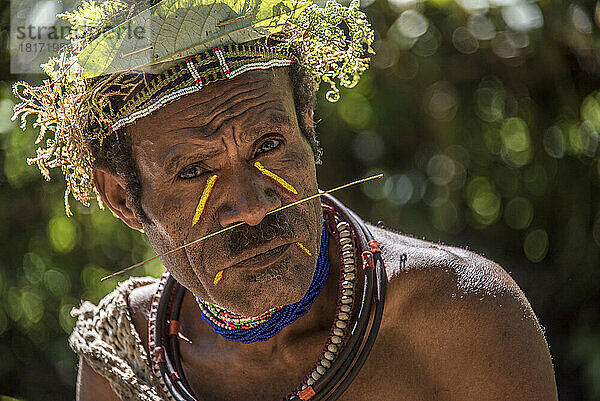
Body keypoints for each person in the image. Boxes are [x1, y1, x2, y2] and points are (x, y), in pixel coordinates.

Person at [13, 0, 558, 400]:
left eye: (268, 145)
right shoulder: (123, 361)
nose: (251, 207)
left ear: (307, 126)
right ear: (122, 199)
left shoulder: (462, 322)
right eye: (194, 170)